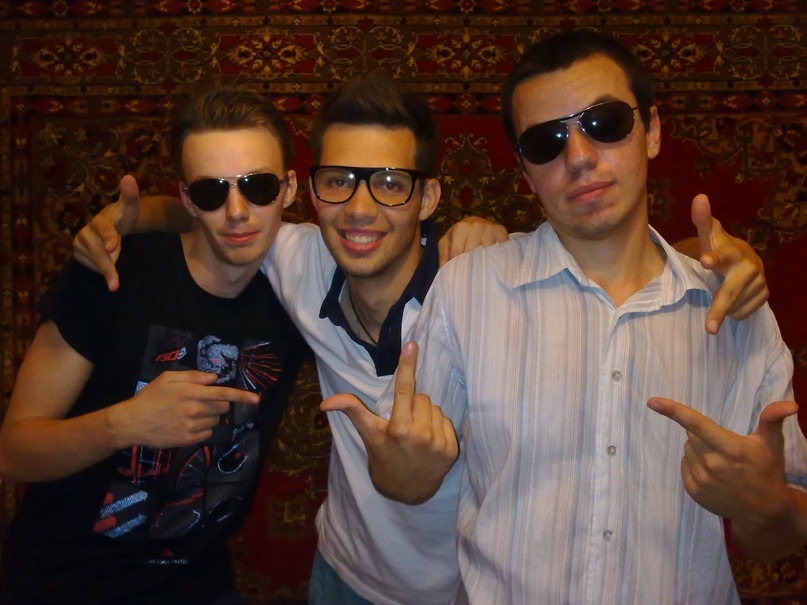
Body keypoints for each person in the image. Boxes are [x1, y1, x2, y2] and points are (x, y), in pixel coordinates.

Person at [74, 71, 770, 604]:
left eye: (389, 182)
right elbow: (220, 209)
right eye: (339, 181)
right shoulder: (297, 256)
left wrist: (721, 258)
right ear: (309, 194)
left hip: (465, 587)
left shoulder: (482, 282)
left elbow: (609, 263)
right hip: (342, 575)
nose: (360, 209)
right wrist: (126, 218)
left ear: (428, 198)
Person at [327, 31, 807, 604]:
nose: (578, 156)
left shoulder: (735, 308)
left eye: (605, 123)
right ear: (526, 171)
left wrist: (765, 507)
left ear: (652, 130)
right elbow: (406, 480)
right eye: (545, 141)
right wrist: (397, 467)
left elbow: (781, 535)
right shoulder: (468, 289)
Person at [0, 87, 307, 604]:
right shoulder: (114, 273)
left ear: (289, 188)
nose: (237, 211)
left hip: (197, 586)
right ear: (188, 198)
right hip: (62, 583)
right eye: (211, 192)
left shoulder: (304, 287)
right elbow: (13, 453)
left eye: (258, 186)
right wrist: (124, 424)